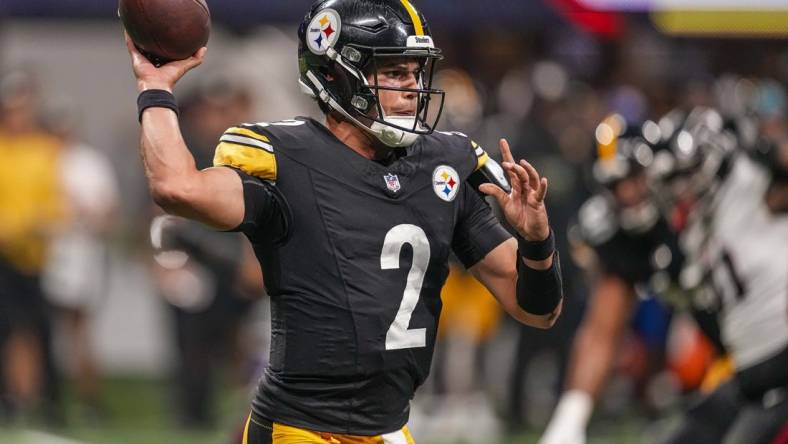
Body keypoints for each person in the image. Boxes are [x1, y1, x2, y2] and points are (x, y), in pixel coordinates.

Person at [124, 0, 565, 441]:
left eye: (416, 72)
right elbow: (176, 187)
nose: (413, 87)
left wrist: (536, 242)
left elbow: (538, 310)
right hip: (301, 429)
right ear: (336, 75)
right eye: (394, 72)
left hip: (389, 429)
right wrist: (155, 86)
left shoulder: (441, 166)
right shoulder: (289, 160)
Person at [539, 115, 685, 444]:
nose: (628, 193)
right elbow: (602, 329)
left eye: (633, 177)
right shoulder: (613, 224)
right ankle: (570, 422)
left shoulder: (688, 195)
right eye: (615, 185)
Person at [648, 107, 788, 444]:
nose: (681, 189)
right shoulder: (693, 234)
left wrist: (771, 153)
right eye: (673, 181)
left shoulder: (753, 178)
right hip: (751, 370)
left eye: (686, 175)